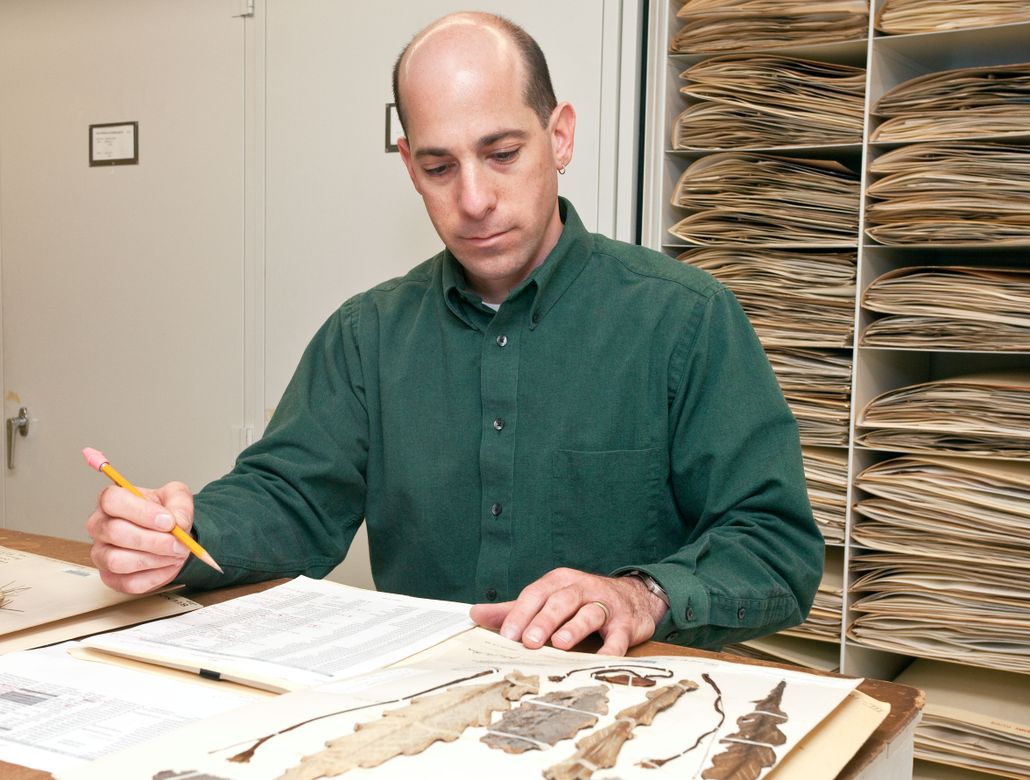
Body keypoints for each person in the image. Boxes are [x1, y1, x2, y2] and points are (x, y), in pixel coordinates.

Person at [86, 11, 822, 656]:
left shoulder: (683, 320)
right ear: (409, 167)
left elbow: (776, 551)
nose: (474, 199)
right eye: (440, 167)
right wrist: (178, 534)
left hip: (628, 705)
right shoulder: (366, 335)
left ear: (560, 136)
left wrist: (642, 594)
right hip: (421, 705)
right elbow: (289, 500)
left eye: (502, 154)